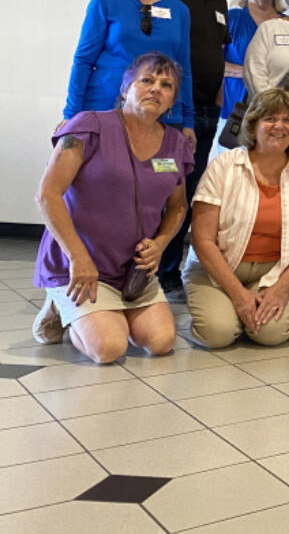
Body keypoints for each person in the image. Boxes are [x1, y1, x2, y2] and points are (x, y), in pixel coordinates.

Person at [32, 53, 192, 363]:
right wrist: (78, 258)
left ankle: (96, 311)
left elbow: (178, 207)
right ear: (125, 88)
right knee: (110, 347)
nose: (156, 89)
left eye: (166, 85)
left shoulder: (176, 145)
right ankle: (59, 304)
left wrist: (159, 245)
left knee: (161, 341)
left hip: (133, 268)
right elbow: (47, 195)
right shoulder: (88, 126)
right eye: (146, 80)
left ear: (173, 100)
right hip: (80, 264)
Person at [184, 88, 289, 348]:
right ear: (253, 123)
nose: (279, 126)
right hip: (219, 268)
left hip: (274, 272)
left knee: (271, 335)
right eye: (270, 118)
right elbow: (202, 240)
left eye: (287, 120)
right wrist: (238, 295)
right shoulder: (224, 165)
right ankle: (231, 310)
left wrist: (281, 288)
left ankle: (247, 312)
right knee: (218, 334)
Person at [65, 0, 195, 142]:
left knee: (155, 175)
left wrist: (188, 120)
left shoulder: (179, 10)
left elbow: (184, 69)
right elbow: (83, 60)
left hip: (160, 115)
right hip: (104, 109)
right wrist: (71, 116)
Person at [158, 0, 231, 297]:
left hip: (205, 113)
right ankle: (144, 272)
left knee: (186, 194)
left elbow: (217, 53)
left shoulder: (219, 1)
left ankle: (168, 273)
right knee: (158, 192)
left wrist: (217, 103)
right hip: (169, 114)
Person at [221, 0, 283, 123]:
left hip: (277, 109)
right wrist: (251, 74)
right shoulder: (231, 18)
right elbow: (211, 64)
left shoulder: (287, 23)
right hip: (235, 109)